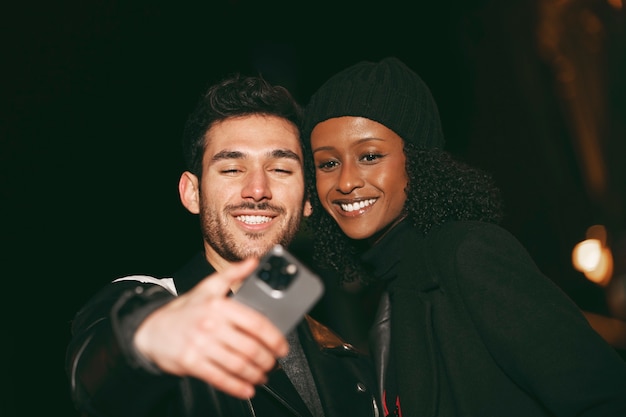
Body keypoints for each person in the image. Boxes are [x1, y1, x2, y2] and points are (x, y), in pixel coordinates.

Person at [301, 56, 626, 417]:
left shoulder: (466, 253)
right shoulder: (391, 286)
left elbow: (604, 395)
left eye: (370, 156)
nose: (346, 182)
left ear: (419, 161)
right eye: (328, 163)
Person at [65, 73, 380, 417]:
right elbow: (95, 374)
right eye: (231, 169)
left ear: (307, 199)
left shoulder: (345, 361)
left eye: (280, 169)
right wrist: (144, 344)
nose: (257, 189)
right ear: (192, 193)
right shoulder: (158, 304)